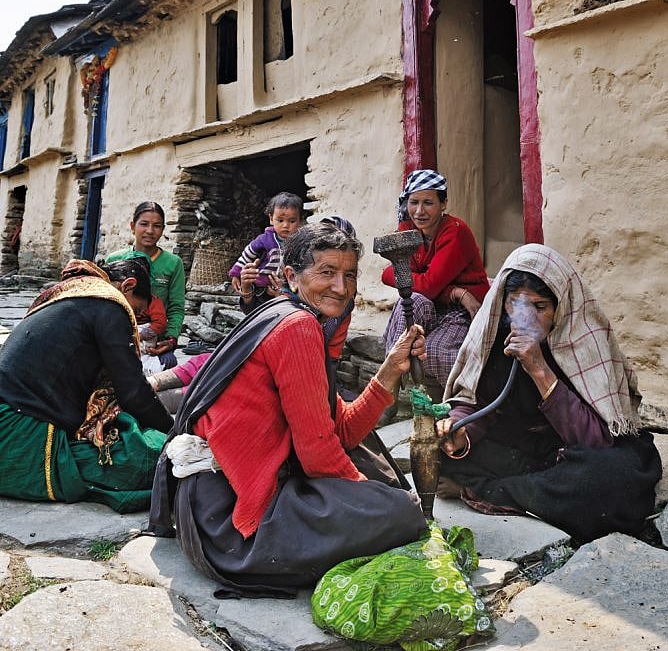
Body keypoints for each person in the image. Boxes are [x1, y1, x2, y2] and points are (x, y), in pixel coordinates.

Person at [150, 221, 428, 595]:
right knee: (401, 512)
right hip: (230, 528)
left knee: (370, 463)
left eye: (349, 275)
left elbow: (341, 429)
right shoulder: (298, 327)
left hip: (202, 512)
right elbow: (319, 455)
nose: (341, 287)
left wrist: (390, 369)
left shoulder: (283, 313)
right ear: (292, 277)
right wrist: (368, 499)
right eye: (326, 272)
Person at [437, 243, 662, 543]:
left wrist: (539, 369)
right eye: (515, 303)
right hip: (522, 452)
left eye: (540, 307)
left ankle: (488, 491)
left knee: (611, 480)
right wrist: (460, 432)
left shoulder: (583, 341)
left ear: (560, 307)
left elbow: (595, 440)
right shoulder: (494, 338)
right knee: (436, 453)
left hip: (575, 454)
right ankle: (530, 494)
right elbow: (479, 404)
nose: (525, 318)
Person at [0, 258, 172, 513]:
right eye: (136, 311)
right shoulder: (109, 304)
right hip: (16, 431)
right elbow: (133, 392)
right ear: (127, 286)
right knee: (146, 461)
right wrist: (173, 433)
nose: (135, 320)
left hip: (15, 411)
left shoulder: (73, 293)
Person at [383, 169, 489, 389]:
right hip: (436, 304)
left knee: (434, 351)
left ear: (443, 204)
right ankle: (389, 384)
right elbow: (391, 276)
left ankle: (465, 401)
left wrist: (447, 292)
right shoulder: (407, 230)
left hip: (462, 311)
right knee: (411, 301)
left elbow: (428, 285)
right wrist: (455, 292)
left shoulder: (455, 231)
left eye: (428, 203)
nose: (419, 211)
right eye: (414, 202)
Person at [106, 201, 186, 366]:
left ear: (163, 230)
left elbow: (176, 307)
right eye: (144, 224)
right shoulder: (115, 260)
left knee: (168, 363)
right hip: (117, 333)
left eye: (157, 226)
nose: (150, 230)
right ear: (132, 226)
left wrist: (171, 338)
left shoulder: (173, 263)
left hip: (154, 338)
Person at [228, 191, 304, 310]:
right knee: (259, 310)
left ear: (300, 221)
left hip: (288, 288)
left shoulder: (300, 243)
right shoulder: (264, 239)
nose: (286, 225)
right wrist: (235, 273)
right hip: (262, 286)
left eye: (292, 221)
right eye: (280, 220)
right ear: (271, 219)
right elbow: (247, 254)